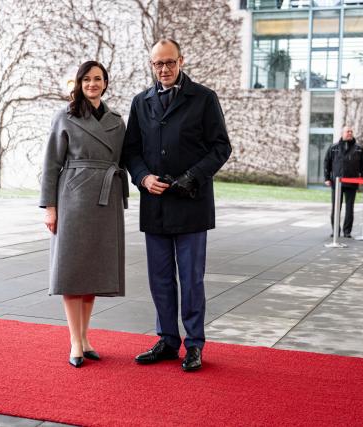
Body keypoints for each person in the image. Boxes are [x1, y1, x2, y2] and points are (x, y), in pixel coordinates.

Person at [123, 39, 232, 372]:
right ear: (151, 65)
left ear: (181, 61)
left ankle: (194, 344)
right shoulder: (140, 102)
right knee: (160, 278)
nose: (164, 69)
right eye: (158, 64)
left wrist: (193, 177)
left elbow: (220, 147)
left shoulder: (203, 98)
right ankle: (168, 341)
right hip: (155, 204)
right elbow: (130, 151)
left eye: (170, 63)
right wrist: (142, 178)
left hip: (192, 203)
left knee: (191, 279)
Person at [39, 61, 128, 368]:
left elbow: (125, 158)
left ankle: (86, 336)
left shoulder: (116, 120)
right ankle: (74, 342)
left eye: (98, 79)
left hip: (105, 201)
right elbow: (51, 163)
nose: (92, 83)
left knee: (92, 274)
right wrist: (50, 207)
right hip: (73, 199)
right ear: (78, 83)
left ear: (105, 83)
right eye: (87, 79)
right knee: (72, 271)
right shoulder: (64, 116)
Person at [324, 126, 363, 238]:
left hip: (352, 182)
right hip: (337, 183)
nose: (349, 133)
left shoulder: (359, 148)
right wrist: (327, 178)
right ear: (342, 133)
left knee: (350, 208)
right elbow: (327, 163)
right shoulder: (333, 147)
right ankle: (335, 231)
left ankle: (347, 231)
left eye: (351, 131)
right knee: (336, 208)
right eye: (347, 131)